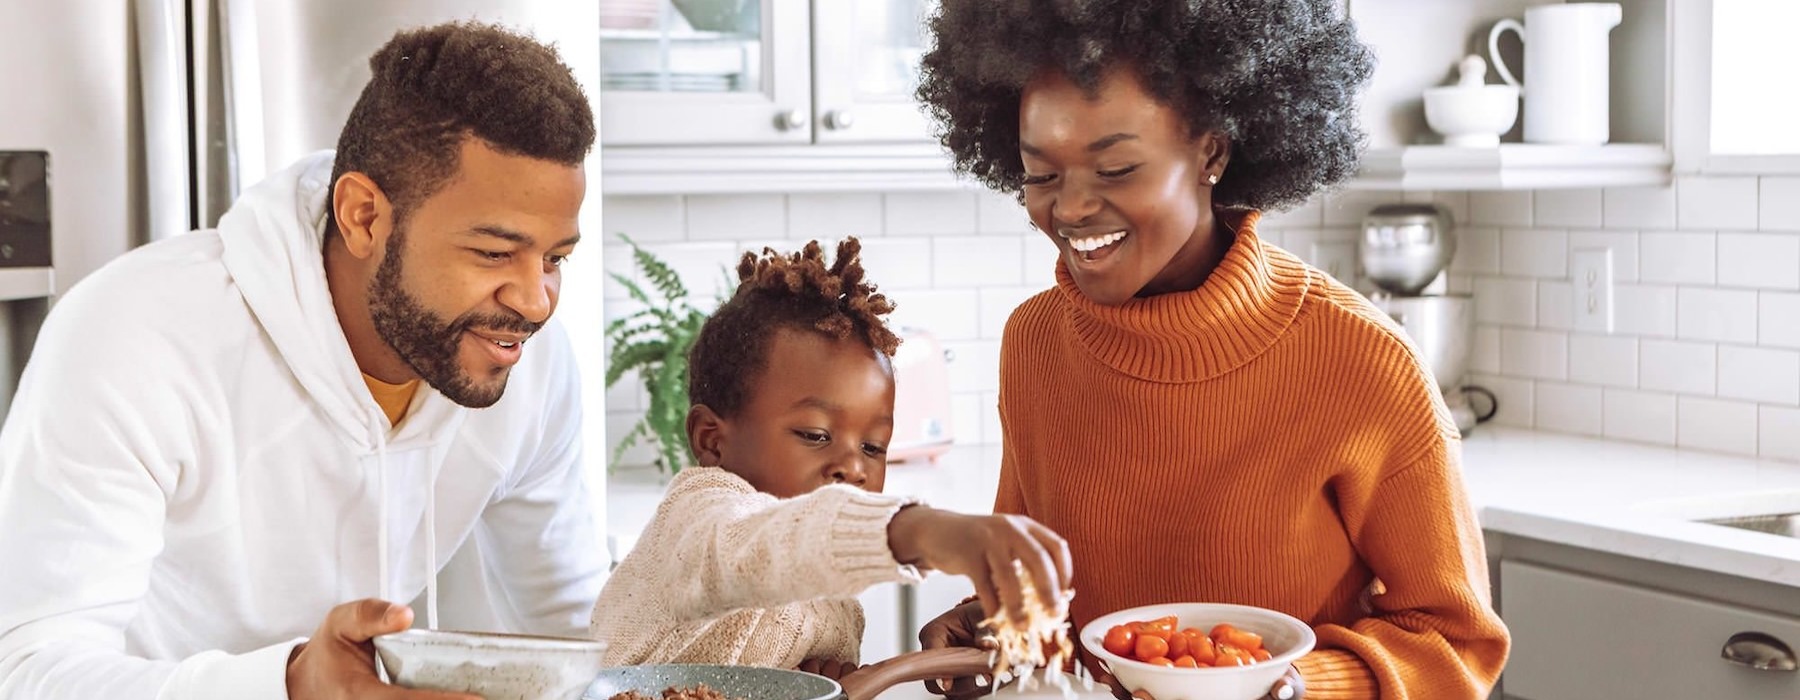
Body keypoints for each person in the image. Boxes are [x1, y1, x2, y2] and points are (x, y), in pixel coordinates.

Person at [911, 2, 1510, 699]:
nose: (1069, 209)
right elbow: (1046, 597)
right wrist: (994, 631)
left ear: (1212, 151)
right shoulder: (1034, 343)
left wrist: (1290, 689)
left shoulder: (1363, 361)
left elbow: (1454, 642)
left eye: (1115, 169)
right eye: (1041, 174)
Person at [0, 21, 603, 700]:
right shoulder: (133, 338)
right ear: (364, 217)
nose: (536, 301)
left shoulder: (519, 362)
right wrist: (285, 686)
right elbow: (28, 673)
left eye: (555, 259)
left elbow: (581, 632)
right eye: (494, 253)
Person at [592, 239, 1072, 681]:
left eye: (872, 447)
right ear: (712, 440)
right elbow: (762, 547)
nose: (853, 468)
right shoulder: (698, 519)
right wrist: (922, 531)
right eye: (816, 434)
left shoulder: (835, 599)